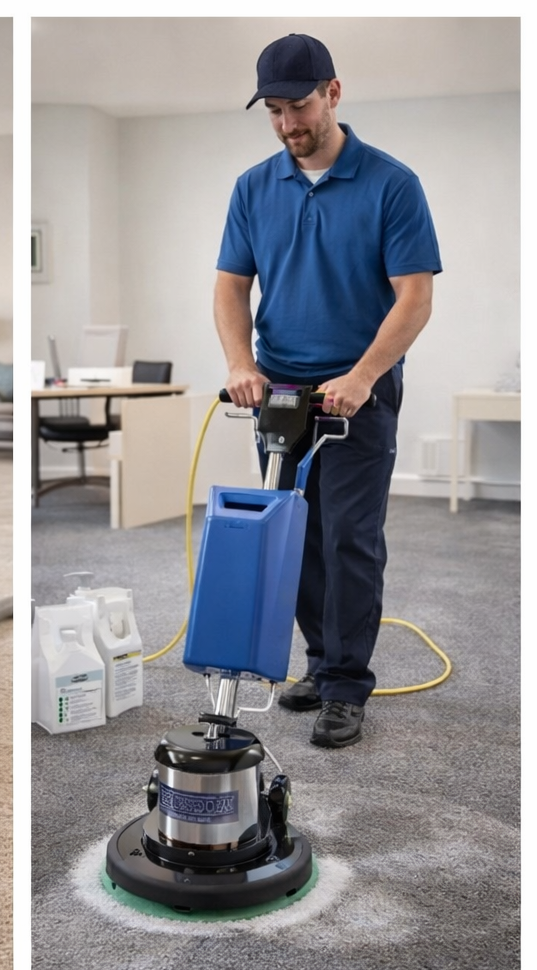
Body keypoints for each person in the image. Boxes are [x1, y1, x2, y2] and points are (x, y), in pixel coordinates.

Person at [215, 33, 439, 748]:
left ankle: (346, 685)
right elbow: (230, 286)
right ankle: (319, 664)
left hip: (357, 391)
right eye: (275, 111)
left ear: (333, 93)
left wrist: (363, 376)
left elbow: (414, 298)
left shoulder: (391, 183)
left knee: (349, 539)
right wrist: (239, 362)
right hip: (280, 389)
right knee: (293, 537)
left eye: (300, 106)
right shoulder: (254, 187)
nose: (288, 124)